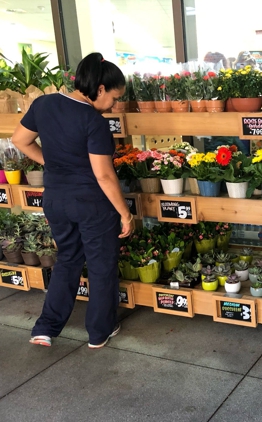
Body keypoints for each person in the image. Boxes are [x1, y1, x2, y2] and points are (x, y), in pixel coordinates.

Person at [11, 52, 135, 349]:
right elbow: (104, 176)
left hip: (56, 199)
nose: (115, 106)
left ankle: (45, 328)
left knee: (67, 260)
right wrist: (125, 214)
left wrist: (52, 164)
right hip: (92, 203)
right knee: (101, 265)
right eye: (115, 98)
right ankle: (99, 332)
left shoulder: (44, 104)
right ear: (100, 89)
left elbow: (19, 140)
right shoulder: (93, 121)